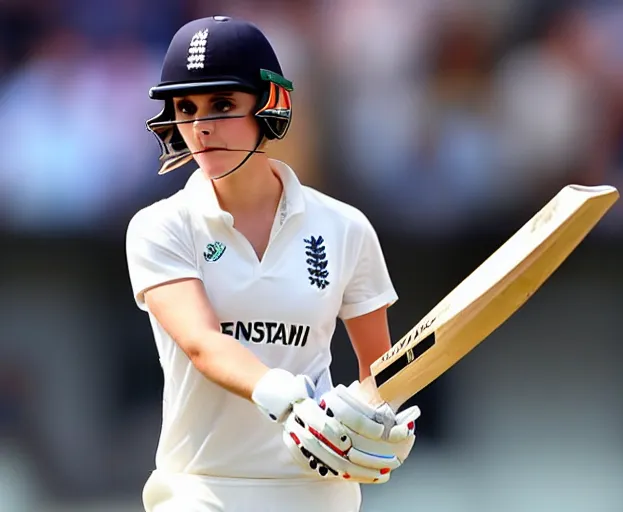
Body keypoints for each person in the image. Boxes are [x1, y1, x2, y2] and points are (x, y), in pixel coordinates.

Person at [125, 15, 421, 512]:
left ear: (269, 106)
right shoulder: (161, 226)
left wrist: (378, 418)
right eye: (186, 107)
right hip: (201, 489)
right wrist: (287, 395)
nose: (201, 127)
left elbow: (380, 374)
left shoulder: (344, 228)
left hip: (316, 493)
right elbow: (202, 343)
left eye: (222, 105)